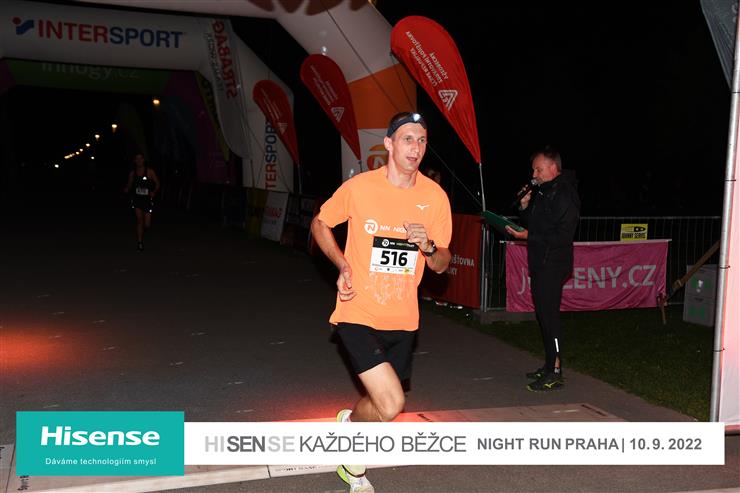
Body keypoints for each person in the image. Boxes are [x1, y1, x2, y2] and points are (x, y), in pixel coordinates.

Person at [311, 111, 452, 492]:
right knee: (391, 403)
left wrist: (428, 246)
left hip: (403, 318)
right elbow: (320, 223)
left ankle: (349, 425)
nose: (415, 148)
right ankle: (353, 464)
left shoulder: (434, 198)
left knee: (380, 405)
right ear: (389, 144)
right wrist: (342, 264)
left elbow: (442, 264)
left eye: (421, 140)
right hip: (357, 310)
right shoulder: (360, 188)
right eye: (407, 139)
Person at [506, 145, 580, 392]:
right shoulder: (544, 192)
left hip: (554, 263)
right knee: (543, 315)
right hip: (540, 261)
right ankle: (549, 365)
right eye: (533, 170)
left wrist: (529, 235)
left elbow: (562, 235)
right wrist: (524, 207)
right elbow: (536, 224)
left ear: (553, 168)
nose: (534, 174)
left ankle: (555, 372)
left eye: (538, 169)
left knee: (549, 316)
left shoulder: (565, 194)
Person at [123, 153, 160, 252]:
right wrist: (127, 188)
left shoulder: (150, 171)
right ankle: (140, 242)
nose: (139, 161)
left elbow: (157, 184)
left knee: (147, 224)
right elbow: (129, 184)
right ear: (135, 161)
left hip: (147, 200)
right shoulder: (132, 173)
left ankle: (143, 230)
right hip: (137, 199)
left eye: (141, 158)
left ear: (144, 160)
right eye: (137, 159)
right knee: (139, 220)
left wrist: (154, 192)